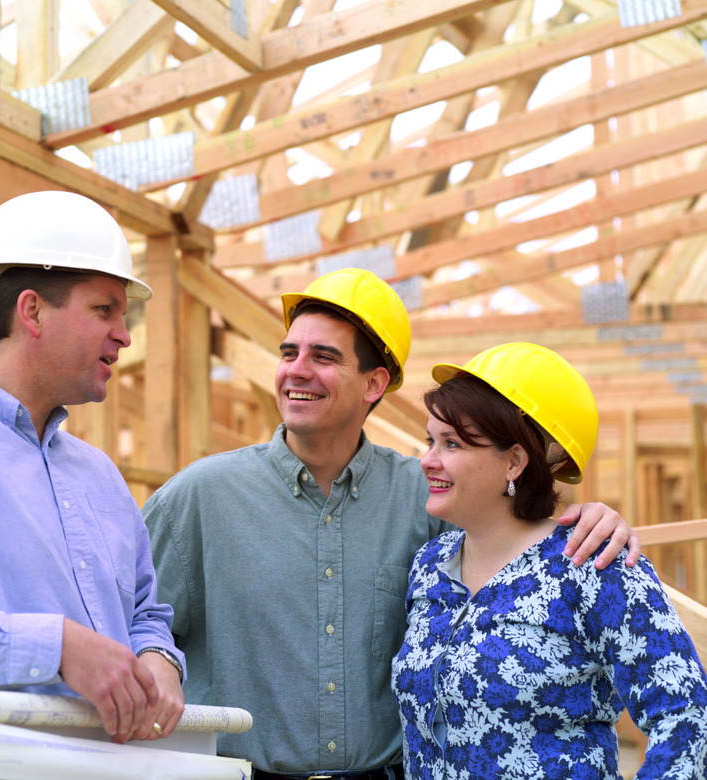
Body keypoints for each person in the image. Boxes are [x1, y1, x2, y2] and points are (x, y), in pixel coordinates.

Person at [143, 268, 639, 777]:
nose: (296, 370)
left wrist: (594, 516)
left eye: (324, 357)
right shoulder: (200, 496)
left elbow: (514, 550)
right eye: (289, 353)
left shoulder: (428, 500)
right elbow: (132, 625)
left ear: (374, 383)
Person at [391, 342, 707, 779]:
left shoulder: (591, 567)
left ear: (514, 462)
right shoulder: (430, 565)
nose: (427, 460)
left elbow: (686, 715)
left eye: (452, 444)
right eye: (431, 441)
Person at [0, 190, 185, 744]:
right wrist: (59, 647)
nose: (125, 333)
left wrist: (159, 660)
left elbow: (146, 613)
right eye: (103, 309)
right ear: (32, 311)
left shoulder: (100, 478)